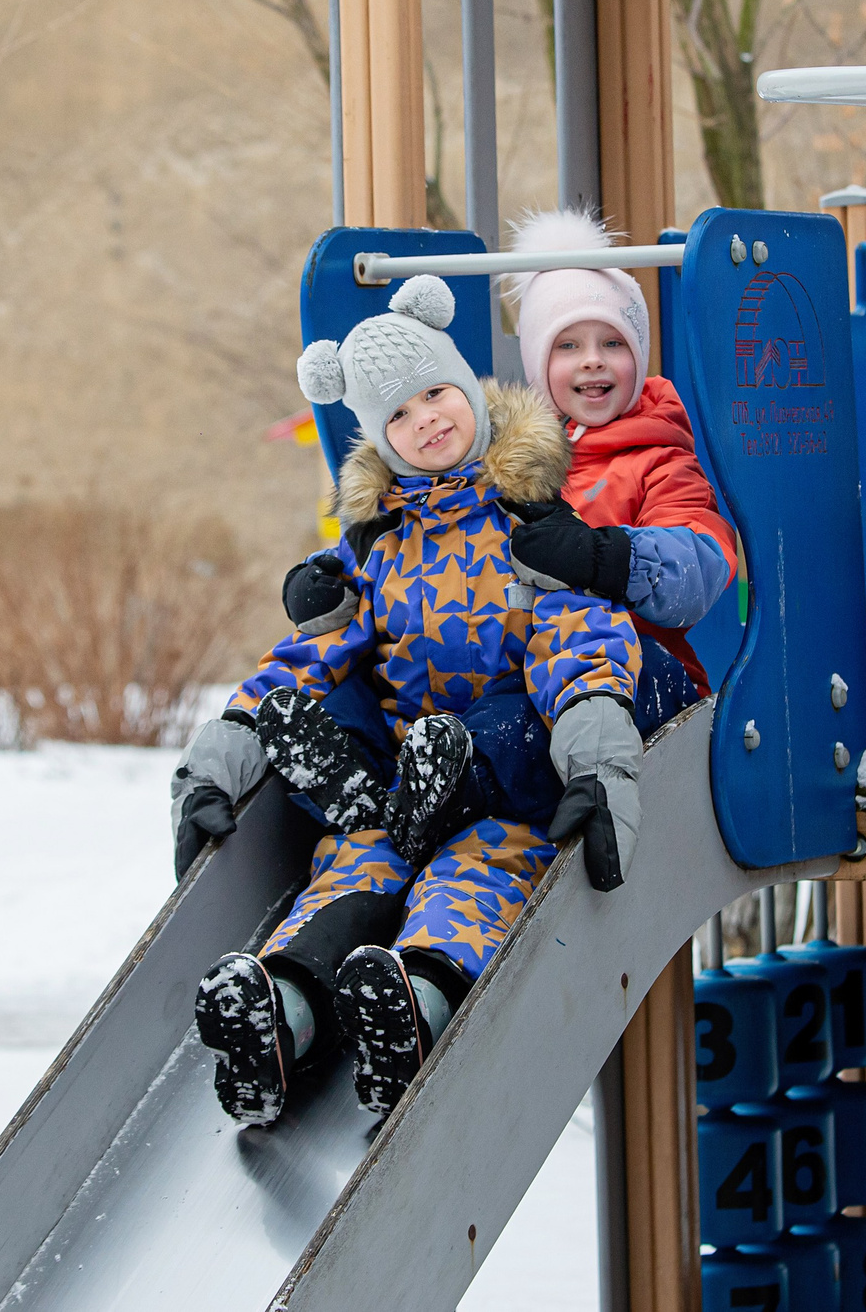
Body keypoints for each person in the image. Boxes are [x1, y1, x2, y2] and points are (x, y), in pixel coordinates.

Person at [171, 275, 647, 1126]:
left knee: (472, 878)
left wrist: (601, 769)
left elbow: (581, 648)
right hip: (399, 785)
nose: (425, 418)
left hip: (502, 787)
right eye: (398, 415)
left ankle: (412, 1011)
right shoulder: (375, 550)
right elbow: (301, 660)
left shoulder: (529, 526)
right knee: (352, 865)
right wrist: (211, 770)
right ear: (379, 441)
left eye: (435, 393)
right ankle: (283, 1012)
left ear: (466, 387)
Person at [277, 207, 737, 724]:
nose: (592, 360)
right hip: (525, 676)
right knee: (376, 687)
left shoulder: (657, 457)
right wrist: (333, 582)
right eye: (568, 345)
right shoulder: (499, 454)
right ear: (539, 362)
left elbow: (702, 567)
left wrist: (602, 557)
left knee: (518, 711)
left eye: (613, 342)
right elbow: (427, 527)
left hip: (636, 682)